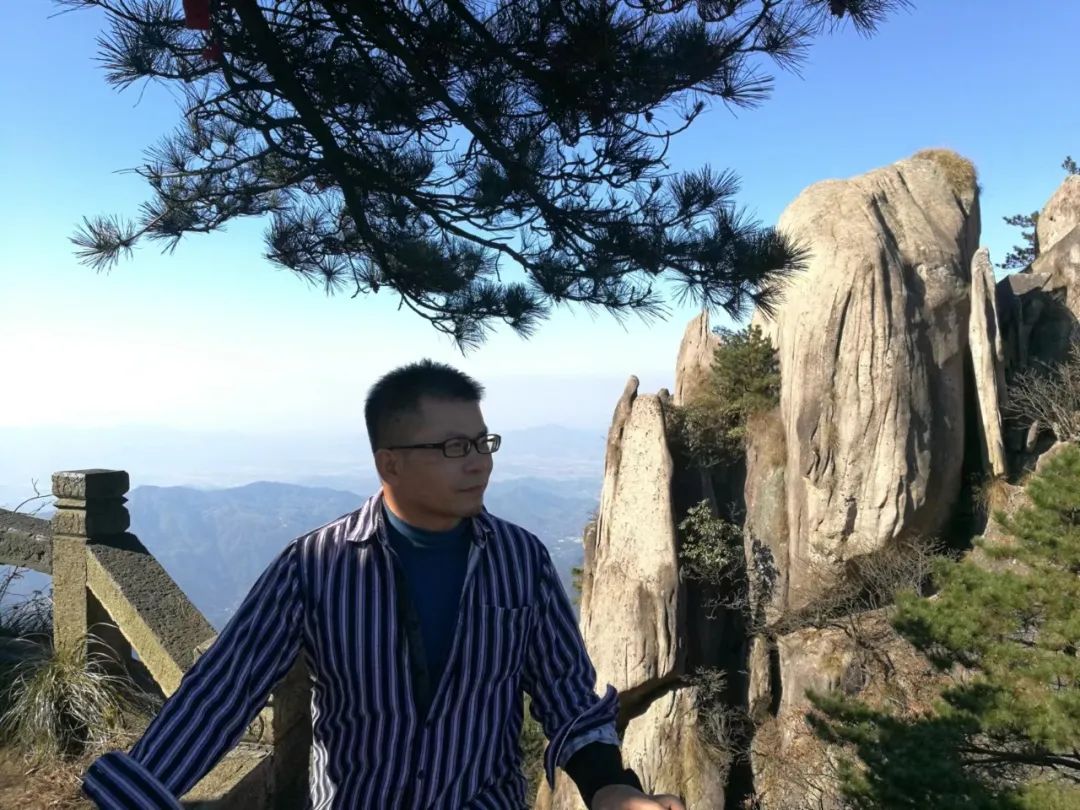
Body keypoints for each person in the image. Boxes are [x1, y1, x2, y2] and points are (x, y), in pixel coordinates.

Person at [82, 360, 687, 810]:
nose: (479, 461)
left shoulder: (520, 560)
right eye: (454, 447)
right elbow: (223, 690)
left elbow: (567, 696)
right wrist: (138, 791)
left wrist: (610, 787)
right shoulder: (315, 565)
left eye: (483, 442)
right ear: (389, 462)